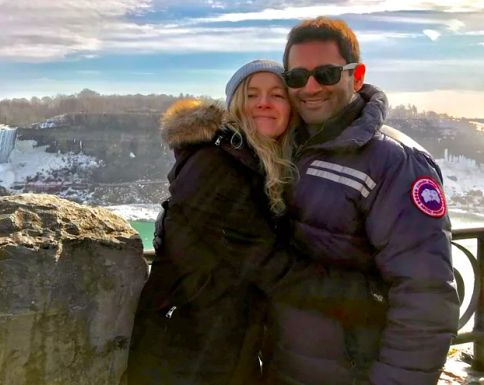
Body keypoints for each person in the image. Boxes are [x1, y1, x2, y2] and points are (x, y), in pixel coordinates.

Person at [261, 16, 460, 385]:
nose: (310, 87)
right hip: (282, 367)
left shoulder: (396, 164)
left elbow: (425, 296)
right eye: (296, 77)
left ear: (357, 75)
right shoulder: (286, 148)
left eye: (326, 73)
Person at [126, 59, 300, 385]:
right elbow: (272, 267)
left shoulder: (254, 163)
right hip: (185, 357)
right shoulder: (215, 166)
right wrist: (364, 294)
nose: (264, 102)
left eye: (277, 94)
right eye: (251, 94)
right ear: (235, 104)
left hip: (217, 347)